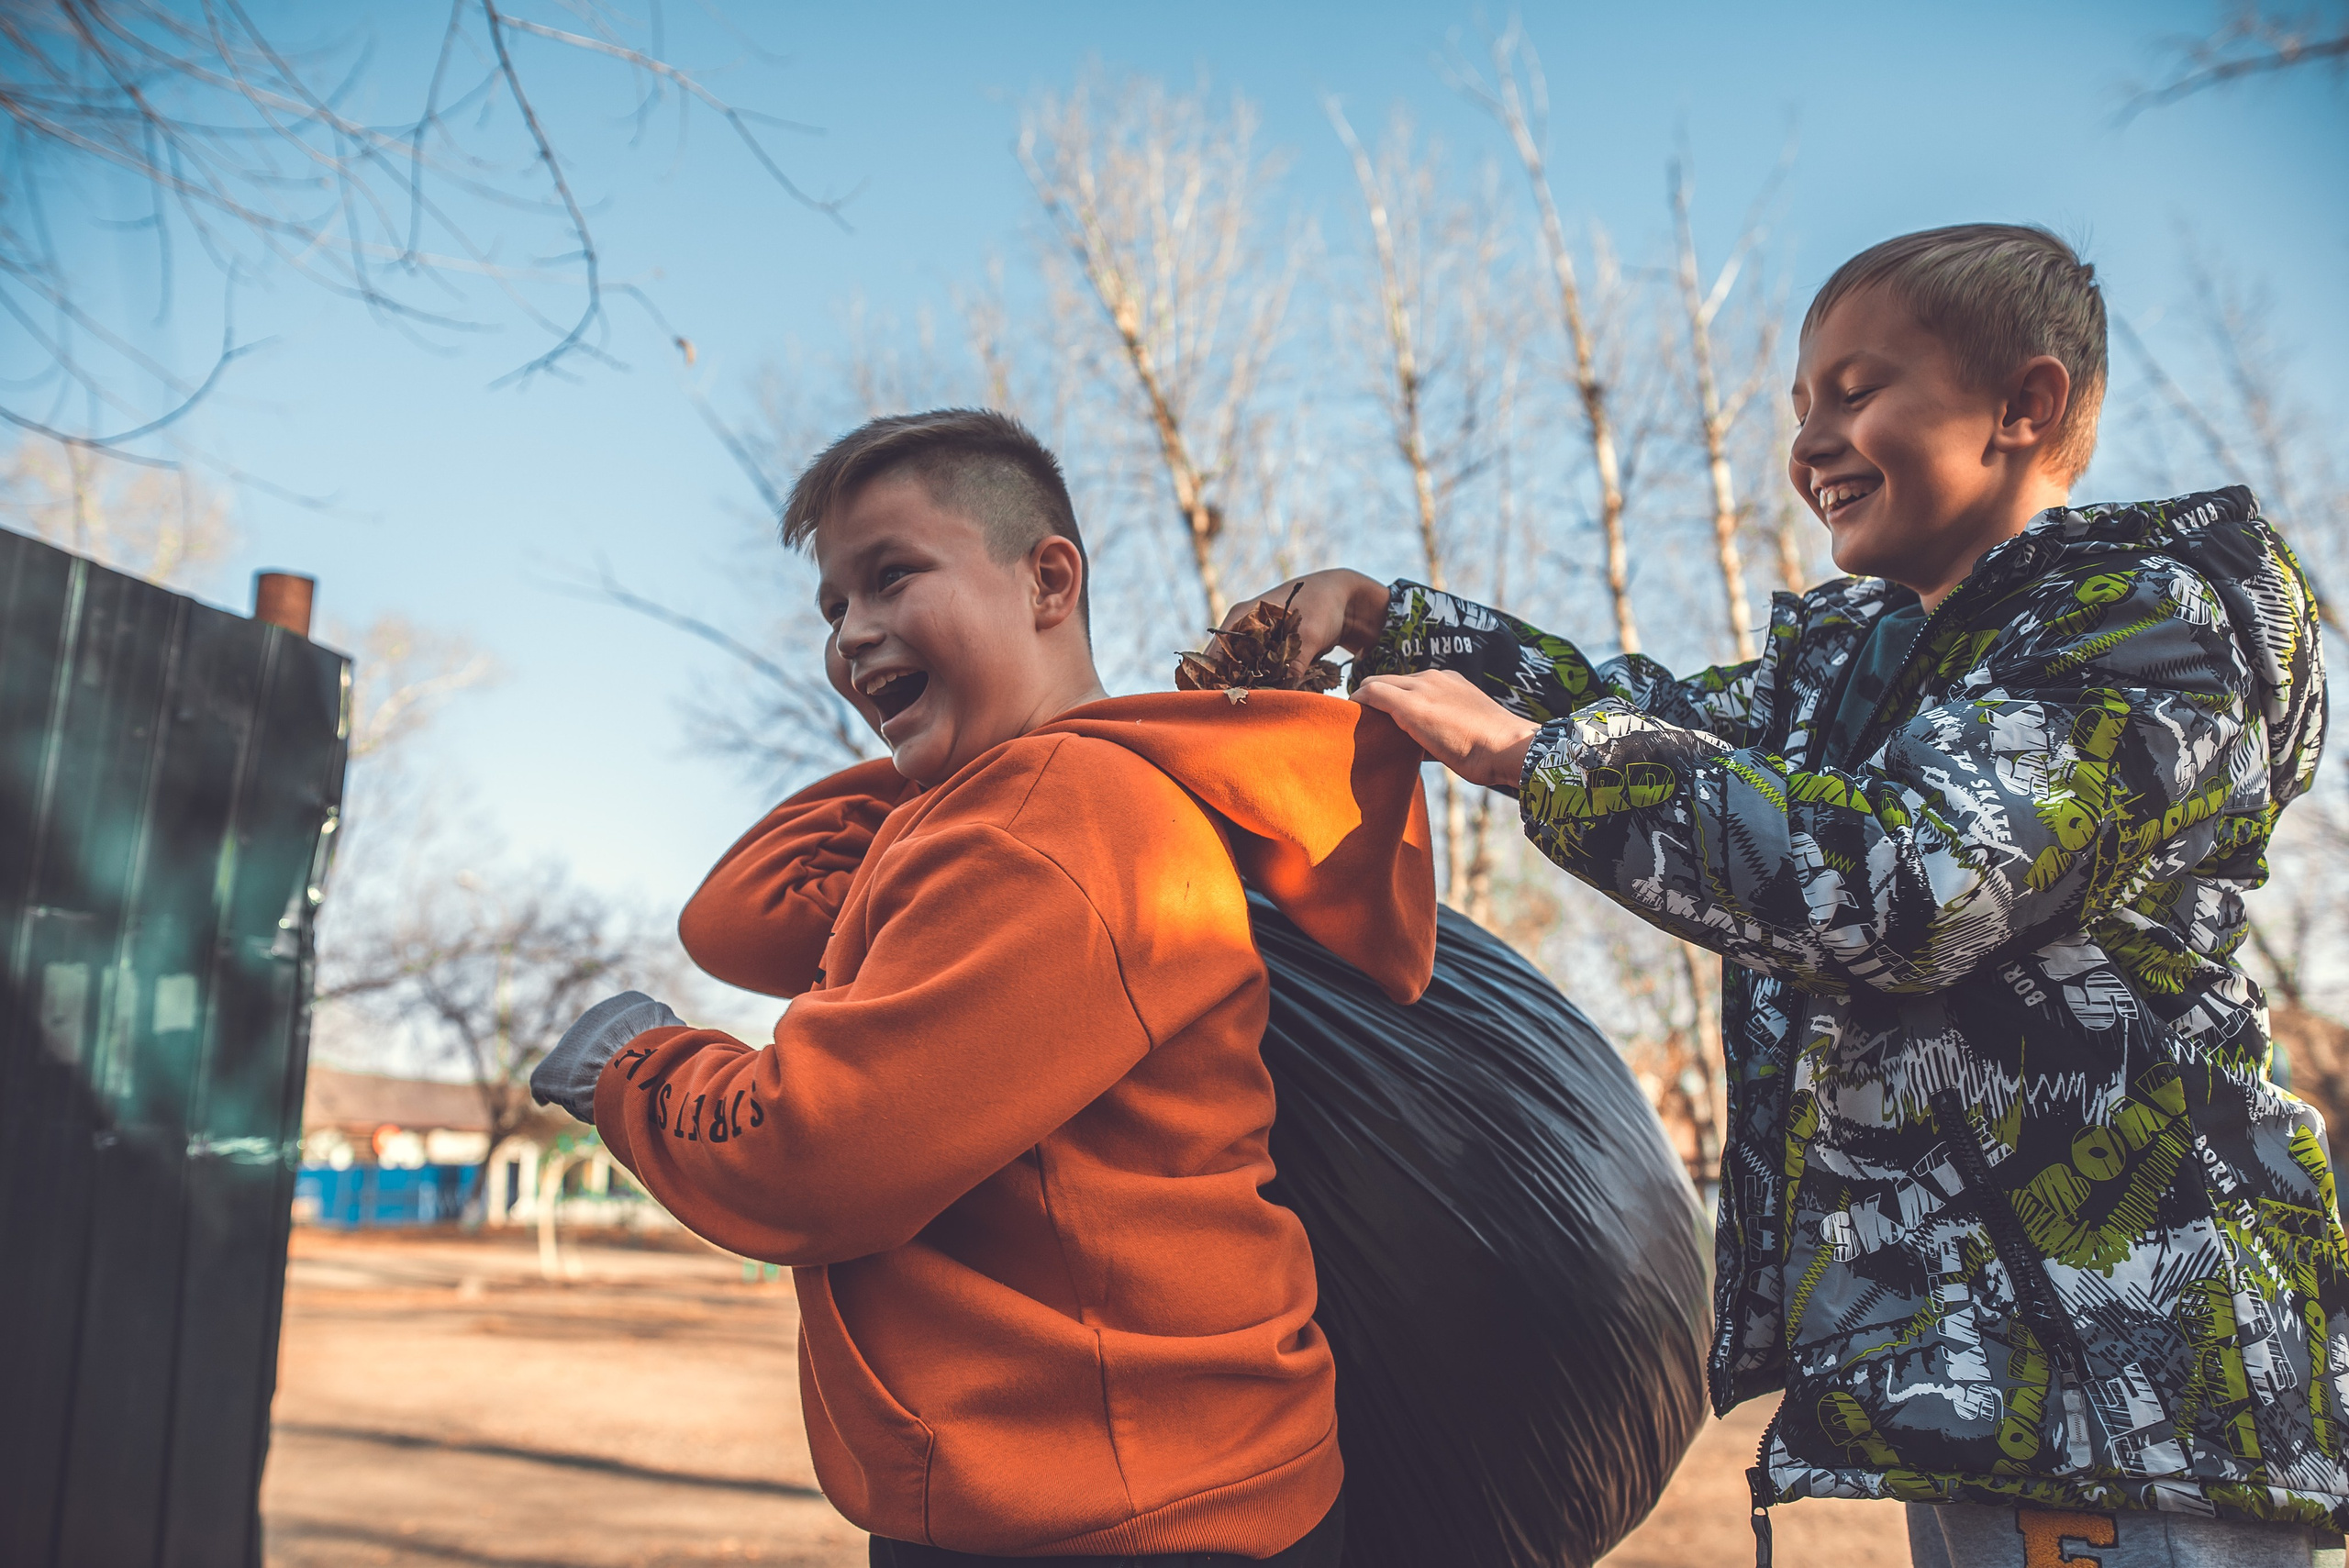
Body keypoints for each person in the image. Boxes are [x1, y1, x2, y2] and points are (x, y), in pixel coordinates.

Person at [1222, 225, 2343, 1567]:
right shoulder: (1863, 677)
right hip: (2006, 1373)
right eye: (1801, 407)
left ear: (2023, 407)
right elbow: (1650, 717)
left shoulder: (2139, 629)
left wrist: (1533, 760)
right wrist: (1386, 622)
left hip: (2127, 1366)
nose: (1810, 443)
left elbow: (1907, 880)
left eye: (1857, 392)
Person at [529, 409, 1438, 1565]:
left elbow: (813, 1157)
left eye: (891, 577)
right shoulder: (1025, 804)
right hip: (1121, 1482)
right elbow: (738, 912)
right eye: (832, 610)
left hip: (1111, 1512)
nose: (851, 636)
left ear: (1048, 577)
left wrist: (631, 1065)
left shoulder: (1048, 821)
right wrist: (968, 742)